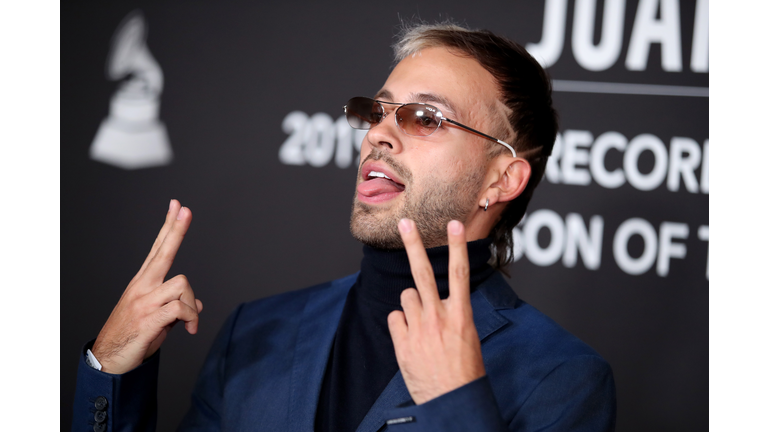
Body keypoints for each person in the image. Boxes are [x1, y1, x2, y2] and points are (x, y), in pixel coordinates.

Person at [72, 22, 616, 432]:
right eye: (378, 111)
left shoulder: (563, 377)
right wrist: (112, 370)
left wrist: (457, 404)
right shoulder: (256, 332)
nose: (379, 134)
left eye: (424, 118)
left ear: (500, 180)